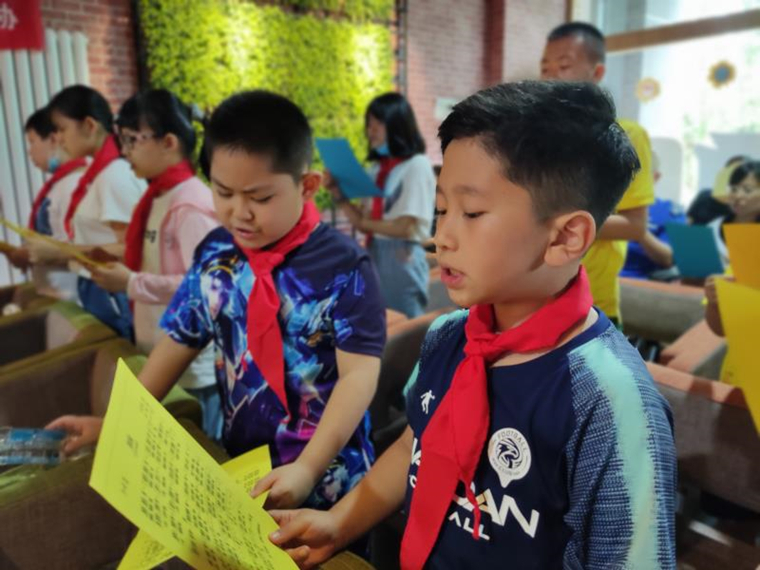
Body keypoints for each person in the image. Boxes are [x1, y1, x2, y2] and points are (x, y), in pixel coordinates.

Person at [268, 82, 677, 569]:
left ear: (565, 237)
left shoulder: (609, 400)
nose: (442, 236)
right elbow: (418, 444)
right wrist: (339, 522)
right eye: (442, 210)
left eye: (472, 213)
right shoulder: (449, 336)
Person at [48, 90, 387, 511]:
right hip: (244, 469)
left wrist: (307, 468)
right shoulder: (216, 253)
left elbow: (359, 377)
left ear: (307, 186)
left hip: (330, 478)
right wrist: (113, 423)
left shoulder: (345, 266)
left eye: (260, 198)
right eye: (224, 193)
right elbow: (178, 340)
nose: (239, 212)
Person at [85, 89, 221, 439]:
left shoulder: (190, 203)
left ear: (169, 142)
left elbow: (205, 287)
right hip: (161, 351)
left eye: (133, 140)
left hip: (191, 364)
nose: (125, 151)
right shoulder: (159, 196)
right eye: (123, 140)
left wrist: (130, 283)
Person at [541, 22, 655, 326]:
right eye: (545, 68)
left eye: (564, 66)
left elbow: (635, 226)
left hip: (593, 306)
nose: (551, 76)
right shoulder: (539, 139)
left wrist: (553, 225)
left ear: (597, 72)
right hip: (535, 299)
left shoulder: (626, 136)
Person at [42, 85, 146, 338]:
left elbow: (131, 249)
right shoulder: (99, 174)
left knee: (120, 354)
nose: (59, 139)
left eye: (63, 129)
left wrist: (61, 251)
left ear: (89, 125)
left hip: (113, 292)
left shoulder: (114, 176)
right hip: (100, 288)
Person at [330, 93, 436, 318]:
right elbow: (362, 220)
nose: (371, 130)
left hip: (403, 255)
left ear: (398, 125)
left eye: (378, 123)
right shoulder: (376, 169)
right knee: (378, 322)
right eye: (369, 124)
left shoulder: (417, 166)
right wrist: (338, 193)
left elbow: (406, 227)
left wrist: (364, 222)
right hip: (374, 250)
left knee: (404, 323)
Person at [0, 107, 85, 300]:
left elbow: (76, 248)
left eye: (32, 142)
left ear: (54, 139)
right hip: (55, 292)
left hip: (70, 296)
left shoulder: (74, 185)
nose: (30, 152)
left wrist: (28, 254)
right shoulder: (59, 184)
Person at [705, 160, 760, 337]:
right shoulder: (715, 227)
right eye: (734, 189)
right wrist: (713, 300)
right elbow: (720, 329)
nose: (737, 195)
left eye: (747, 190)